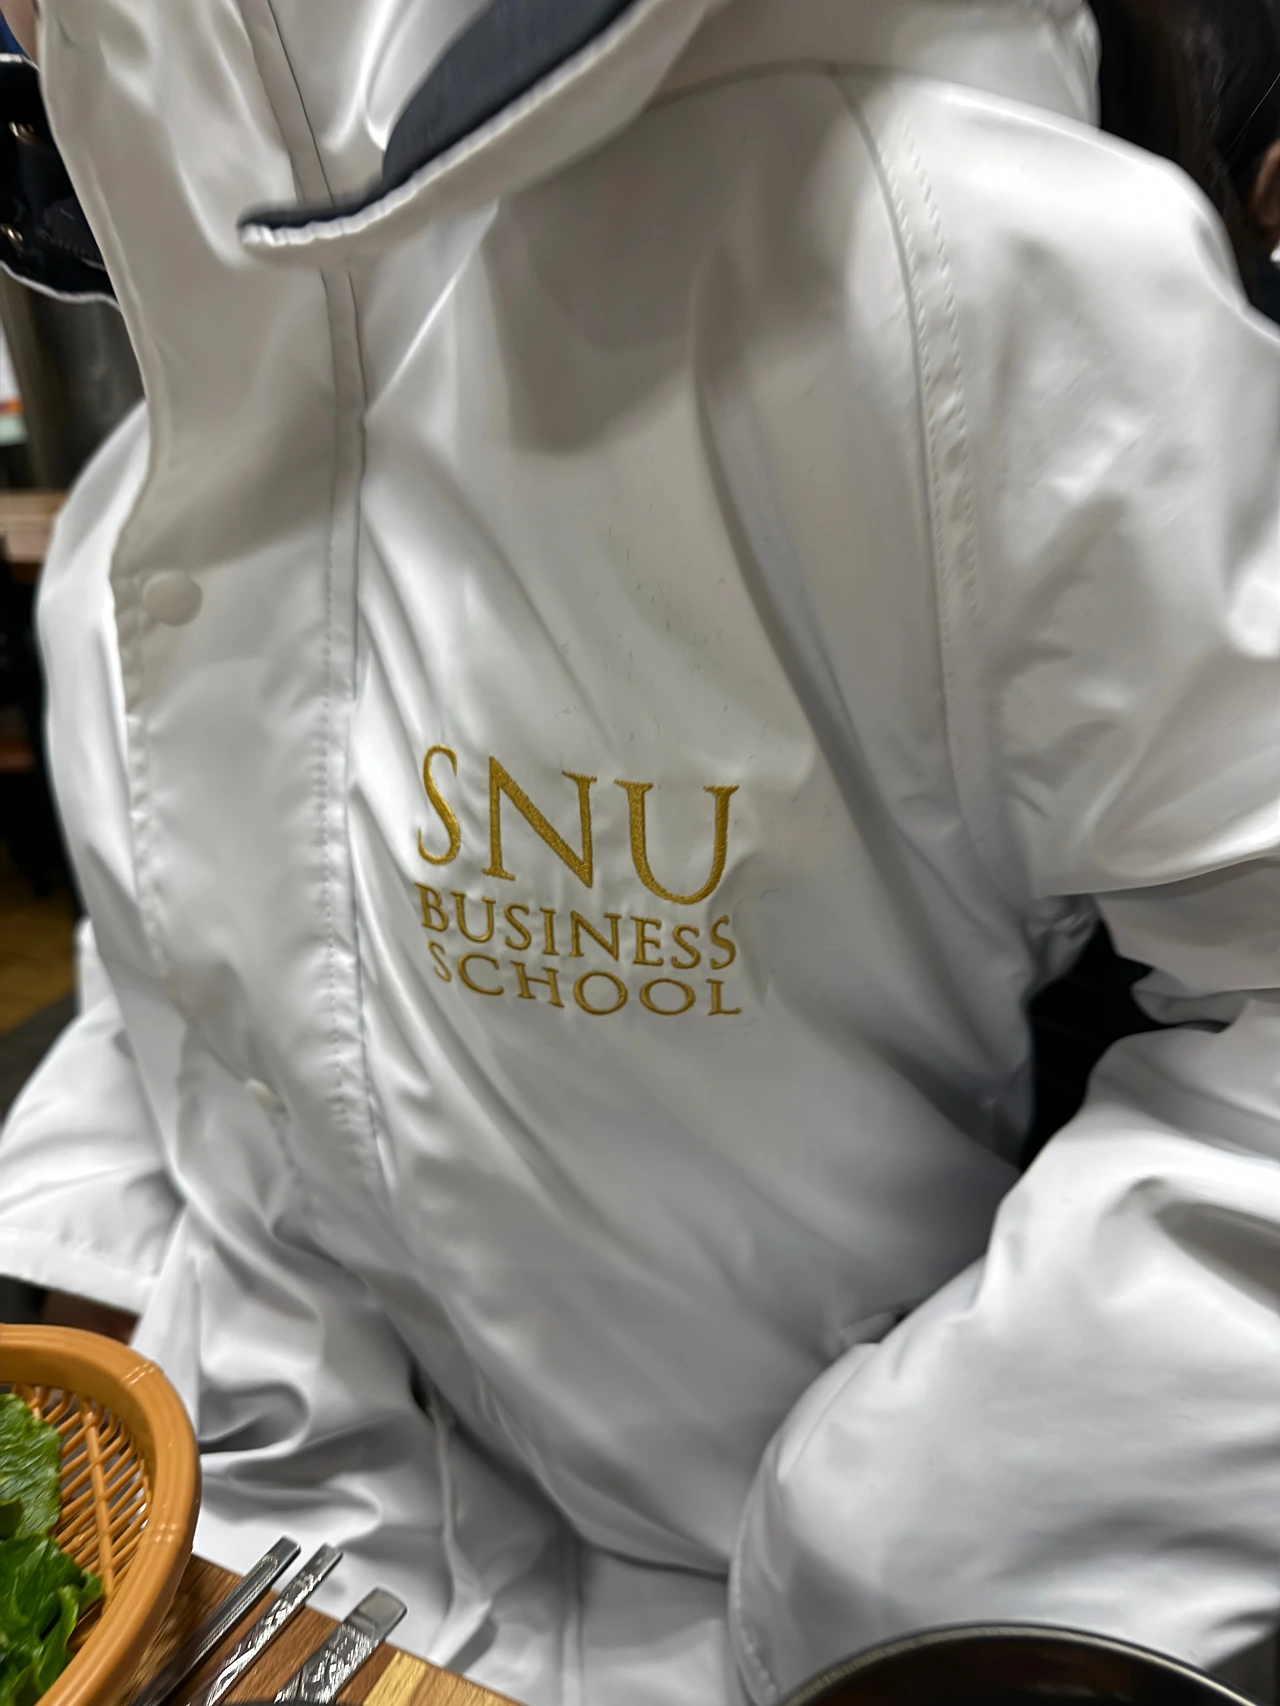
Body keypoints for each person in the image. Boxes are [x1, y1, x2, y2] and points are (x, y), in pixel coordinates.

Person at [2, 2, 1280, 1704]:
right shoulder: (176, 387)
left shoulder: (913, 256)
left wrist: (889, 1574)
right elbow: (171, 968)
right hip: (266, 1585)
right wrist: (84, 1284)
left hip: (764, 1639)